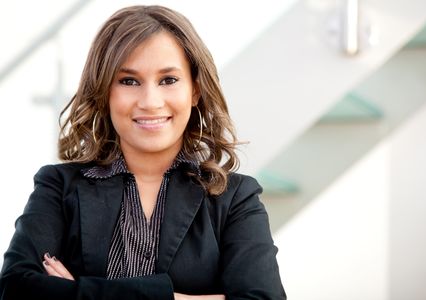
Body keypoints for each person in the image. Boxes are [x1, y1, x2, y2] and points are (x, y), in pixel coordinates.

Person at [0, 5, 286, 300]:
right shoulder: (58, 187)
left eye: (168, 80)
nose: (150, 101)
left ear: (195, 91)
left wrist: (75, 293)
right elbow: (15, 290)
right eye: (129, 81)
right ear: (103, 90)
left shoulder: (235, 197)